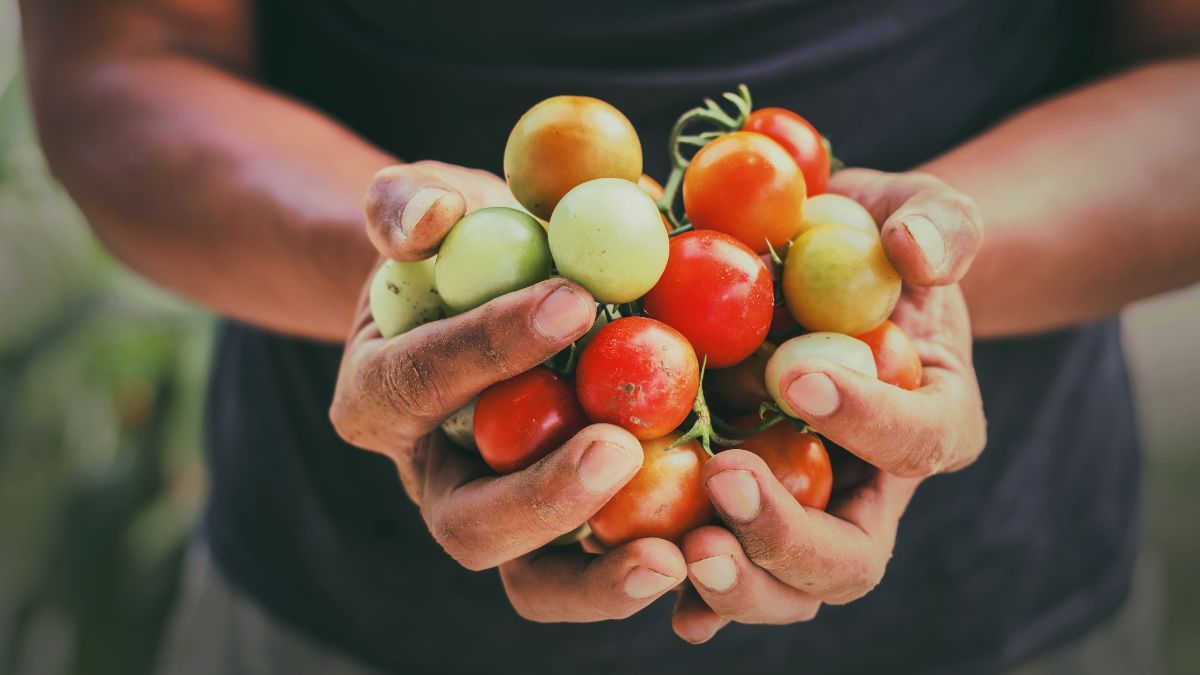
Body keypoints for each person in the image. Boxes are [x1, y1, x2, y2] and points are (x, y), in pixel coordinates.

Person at [18, 0, 1199, 673]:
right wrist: (413, 277)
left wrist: (934, 269)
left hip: (1002, 606)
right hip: (346, 611)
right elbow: (124, 67)